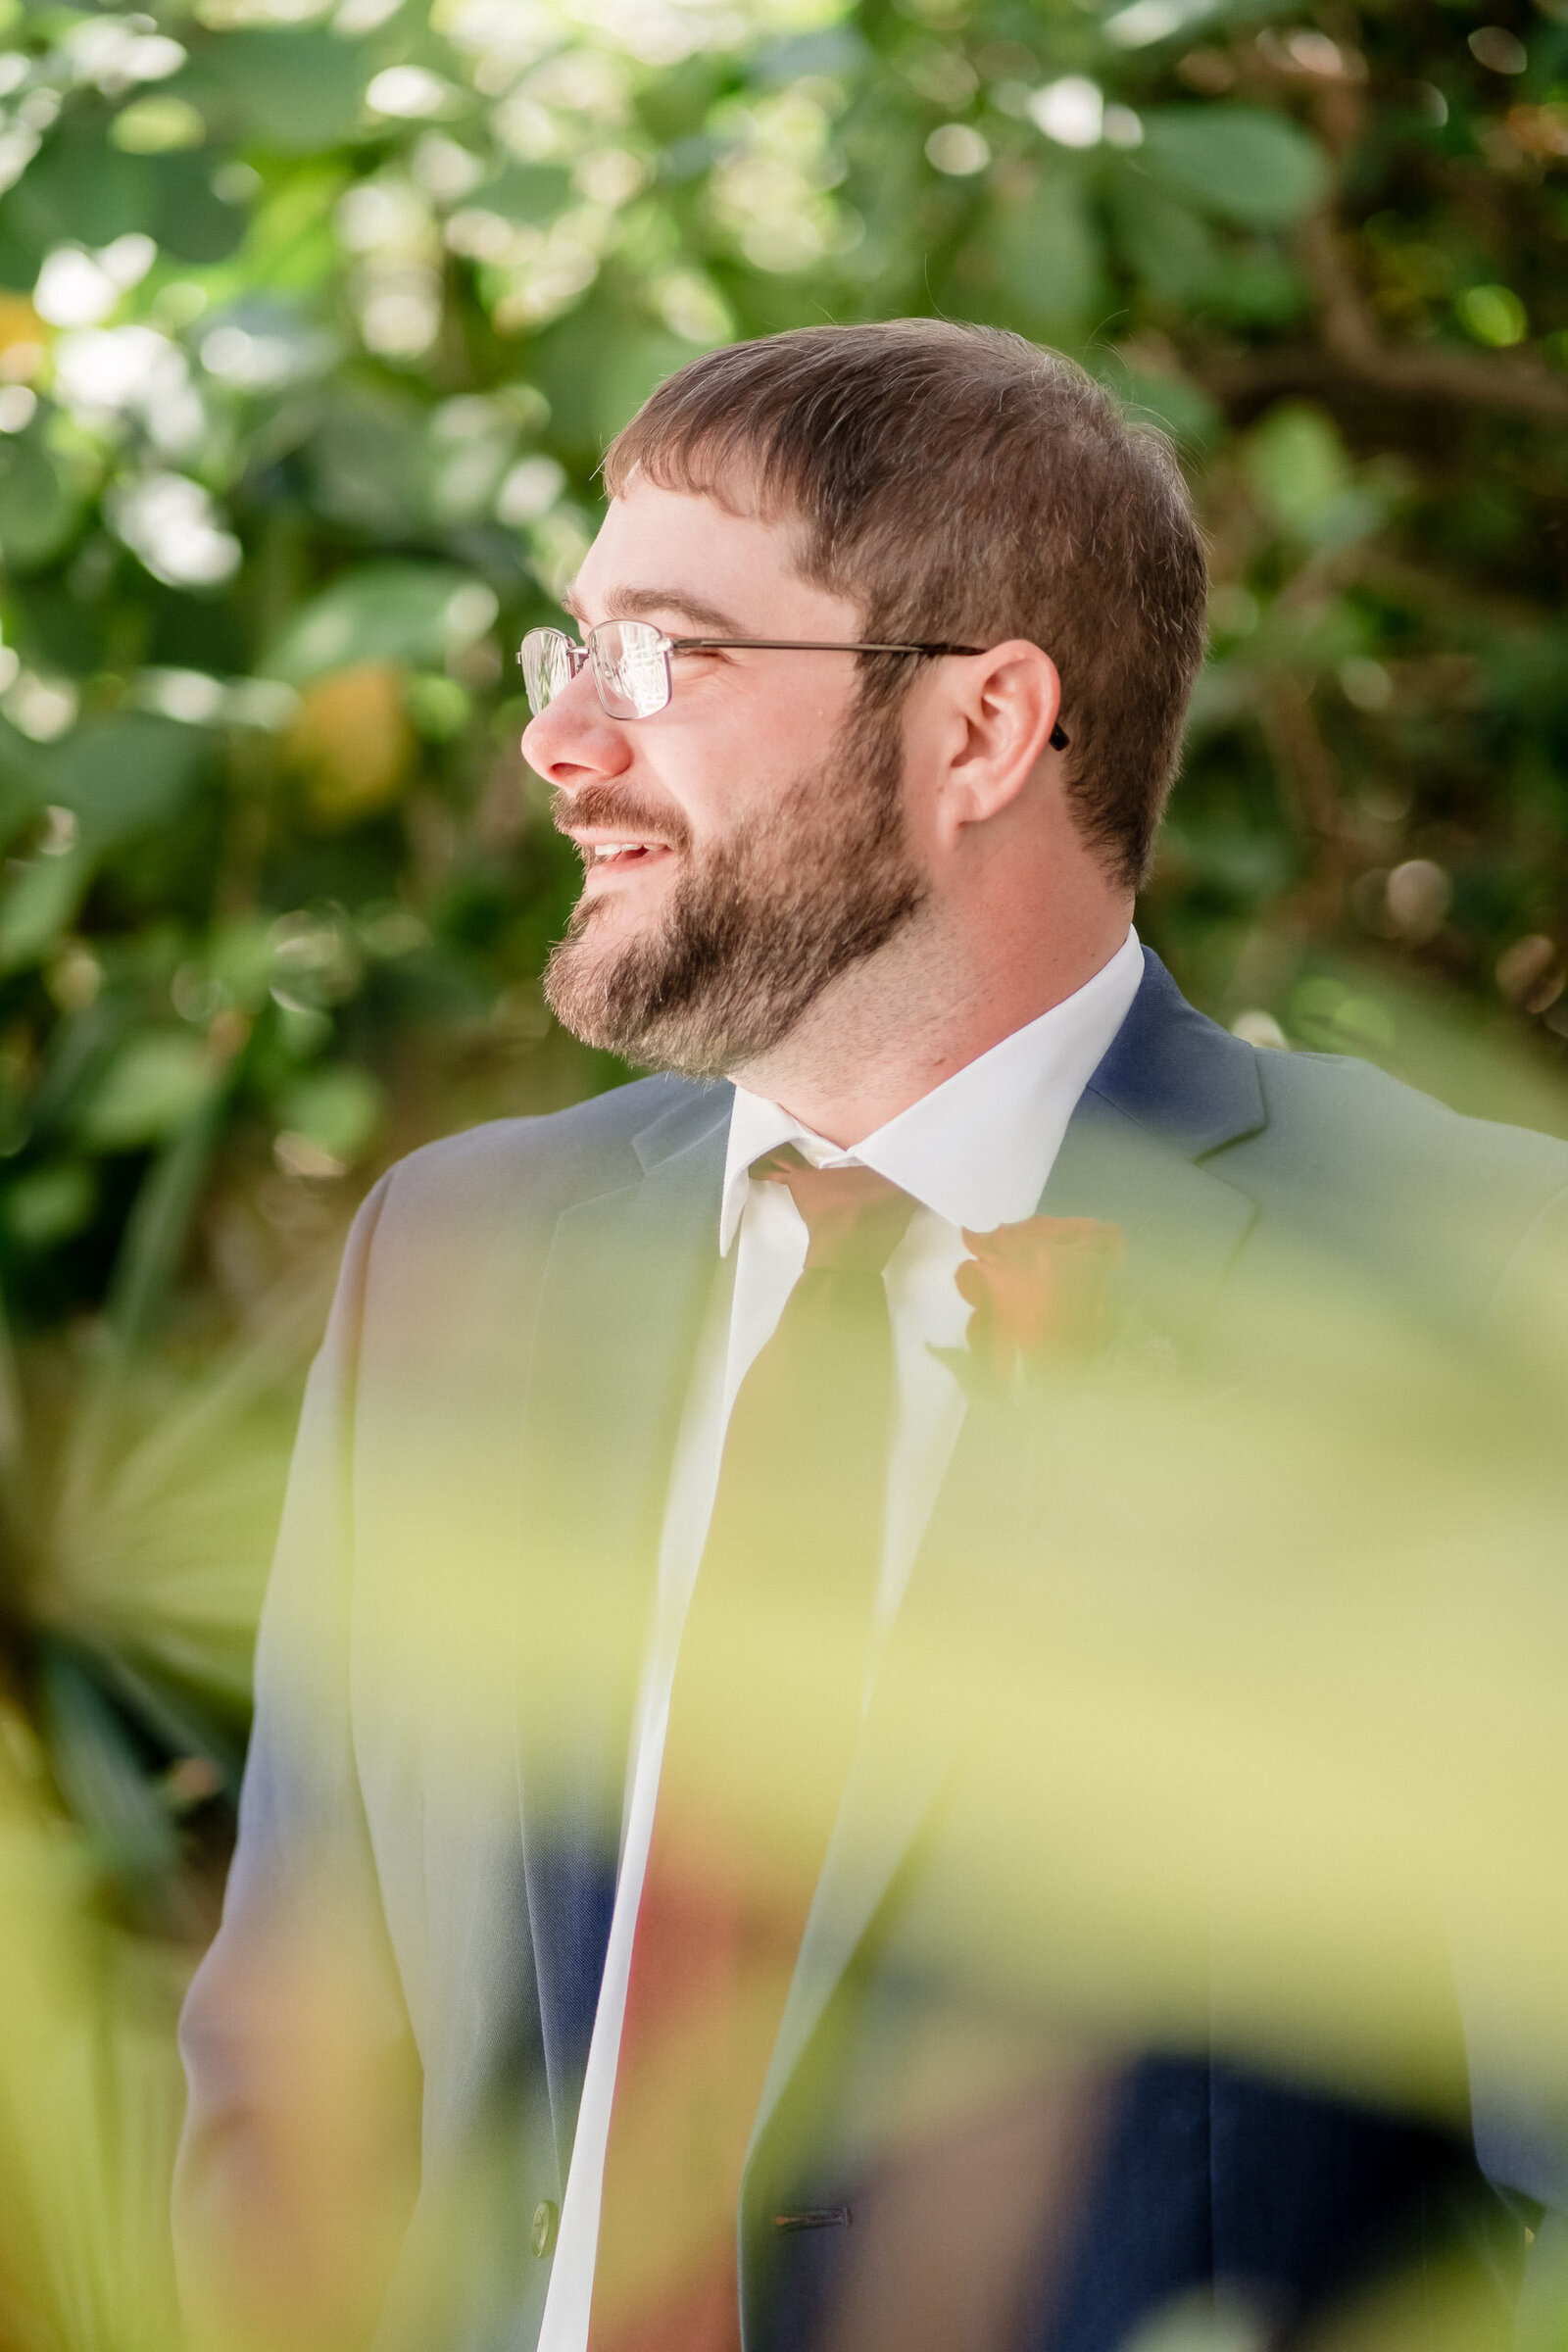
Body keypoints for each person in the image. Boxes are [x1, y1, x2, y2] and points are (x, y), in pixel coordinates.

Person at [173, 321, 1568, 2352]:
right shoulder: (455, 1255)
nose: (564, 745)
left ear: (981, 728)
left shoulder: (1457, 1283)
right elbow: (305, 2049)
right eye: (566, 658)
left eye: (669, 655)